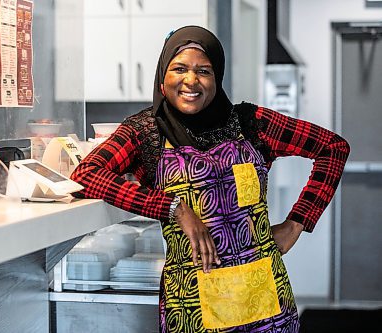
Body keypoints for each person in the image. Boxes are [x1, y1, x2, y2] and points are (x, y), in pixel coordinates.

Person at [70, 25, 350, 333]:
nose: (191, 80)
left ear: (217, 78)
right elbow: (86, 175)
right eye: (179, 69)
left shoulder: (251, 123)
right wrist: (174, 207)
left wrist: (297, 223)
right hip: (192, 308)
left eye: (204, 71)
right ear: (163, 77)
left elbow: (333, 147)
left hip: (266, 303)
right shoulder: (145, 132)